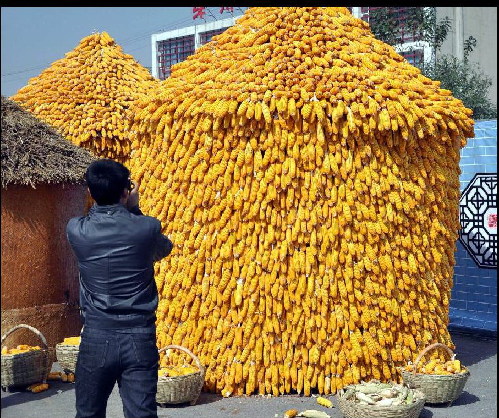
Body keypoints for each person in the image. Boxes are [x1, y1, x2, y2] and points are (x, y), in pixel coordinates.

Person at [66, 159, 173, 418]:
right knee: (141, 414)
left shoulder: (76, 230)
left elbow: (94, 218)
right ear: (127, 191)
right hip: (139, 336)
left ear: (90, 193)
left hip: (96, 336)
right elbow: (163, 249)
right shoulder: (146, 228)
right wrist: (134, 209)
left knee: (88, 413)